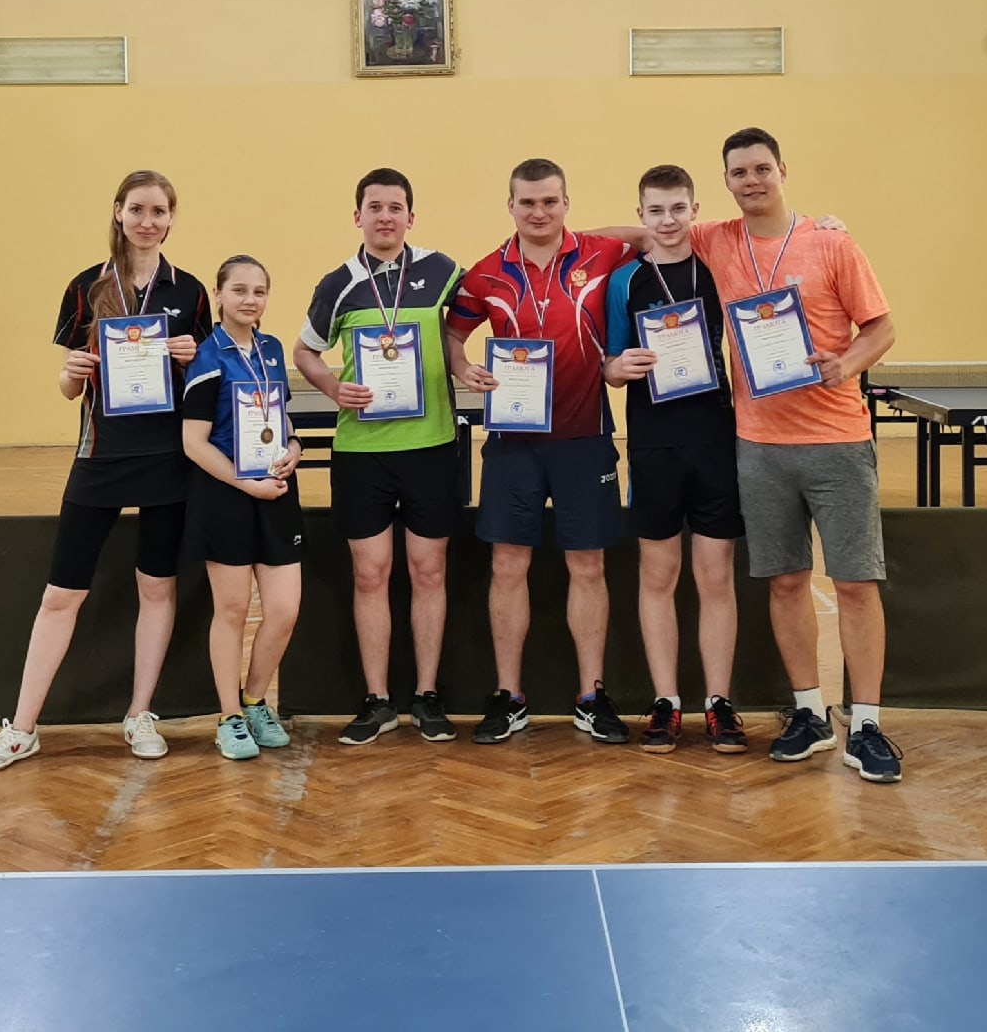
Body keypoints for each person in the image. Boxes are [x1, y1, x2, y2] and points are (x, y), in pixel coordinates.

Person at [0, 170, 211, 775]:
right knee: (61, 595)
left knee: (156, 587)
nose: (147, 221)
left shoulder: (190, 291)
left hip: (168, 459)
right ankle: (22, 728)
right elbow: (67, 386)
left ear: (171, 219)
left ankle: (140, 714)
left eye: (159, 211)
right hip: (100, 456)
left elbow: (207, 381)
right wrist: (71, 372)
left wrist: (192, 356)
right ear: (118, 212)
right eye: (137, 209)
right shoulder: (86, 286)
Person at [689, 127, 903, 783]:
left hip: (838, 443)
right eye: (739, 172)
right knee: (785, 581)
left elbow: (882, 327)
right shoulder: (716, 239)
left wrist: (847, 364)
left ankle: (866, 723)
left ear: (782, 170)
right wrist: (559, 234)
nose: (751, 180)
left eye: (761, 168)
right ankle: (809, 712)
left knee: (855, 584)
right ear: (726, 182)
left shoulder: (832, 243)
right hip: (759, 447)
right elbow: (636, 234)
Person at [446, 158, 633, 746]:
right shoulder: (485, 273)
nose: (539, 212)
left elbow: (662, 232)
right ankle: (510, 697)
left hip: (585, 437)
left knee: (588, 566)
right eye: (527, 202)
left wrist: (819, 224)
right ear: (510, 206)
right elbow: (453, 334)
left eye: (550, 201)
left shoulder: (602, 254)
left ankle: (591, 697)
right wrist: (464, 368)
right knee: (508, 566)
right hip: (512, 441)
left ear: (566, 203)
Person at [293, 169, 465, 746]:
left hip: (431, 447)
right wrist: (332, 387)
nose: (385, 216)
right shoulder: (338, 284)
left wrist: (465, 367)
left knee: (428, 571)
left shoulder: (442, 271)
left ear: (411, 217)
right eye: (375, 207)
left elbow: (459, 330)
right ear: (358, 217)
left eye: (395, 207)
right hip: (362, 453)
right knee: (371, 575)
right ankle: (378, 700)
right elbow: (305, 351)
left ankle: (428, 695)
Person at [603, 165, 747, 754]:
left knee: (715, 578)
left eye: (678, 208)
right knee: (658, 576)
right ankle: (666, 702)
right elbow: (610, 363)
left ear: (695, 210)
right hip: (653, 445)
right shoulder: (624, 280)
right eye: (656, 211)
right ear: (640, 215)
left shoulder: (718, 265)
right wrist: (617, 368)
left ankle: (719, 702)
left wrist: (828, 223)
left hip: (716, 440)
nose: (667, 220)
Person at [182, 255, 303, 760]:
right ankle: (229, 716)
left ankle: (255, 700)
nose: (250, 300)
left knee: (284, 610)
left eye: (259, 291)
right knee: (231, 611)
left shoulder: (271, 349)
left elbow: (282, 419)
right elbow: (193, 443)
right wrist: (245, 485)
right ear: (219, 295)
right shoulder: (206, 356)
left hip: (275, 491)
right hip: (226, 494)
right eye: (239, 290)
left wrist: (294, 448)